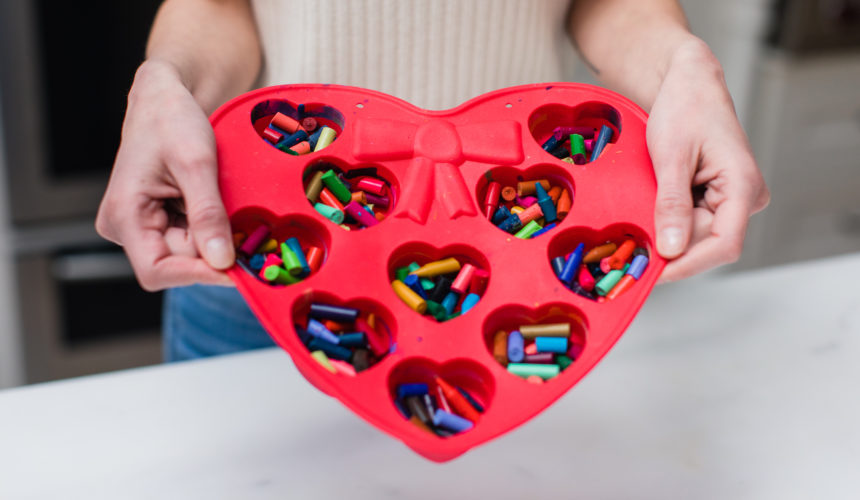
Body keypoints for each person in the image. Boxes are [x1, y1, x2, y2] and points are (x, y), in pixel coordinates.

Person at [96, 0, 770, 361]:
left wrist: (683, 64)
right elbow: (217, 5)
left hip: (522, 266)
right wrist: (167, 81)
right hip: (259, 254)